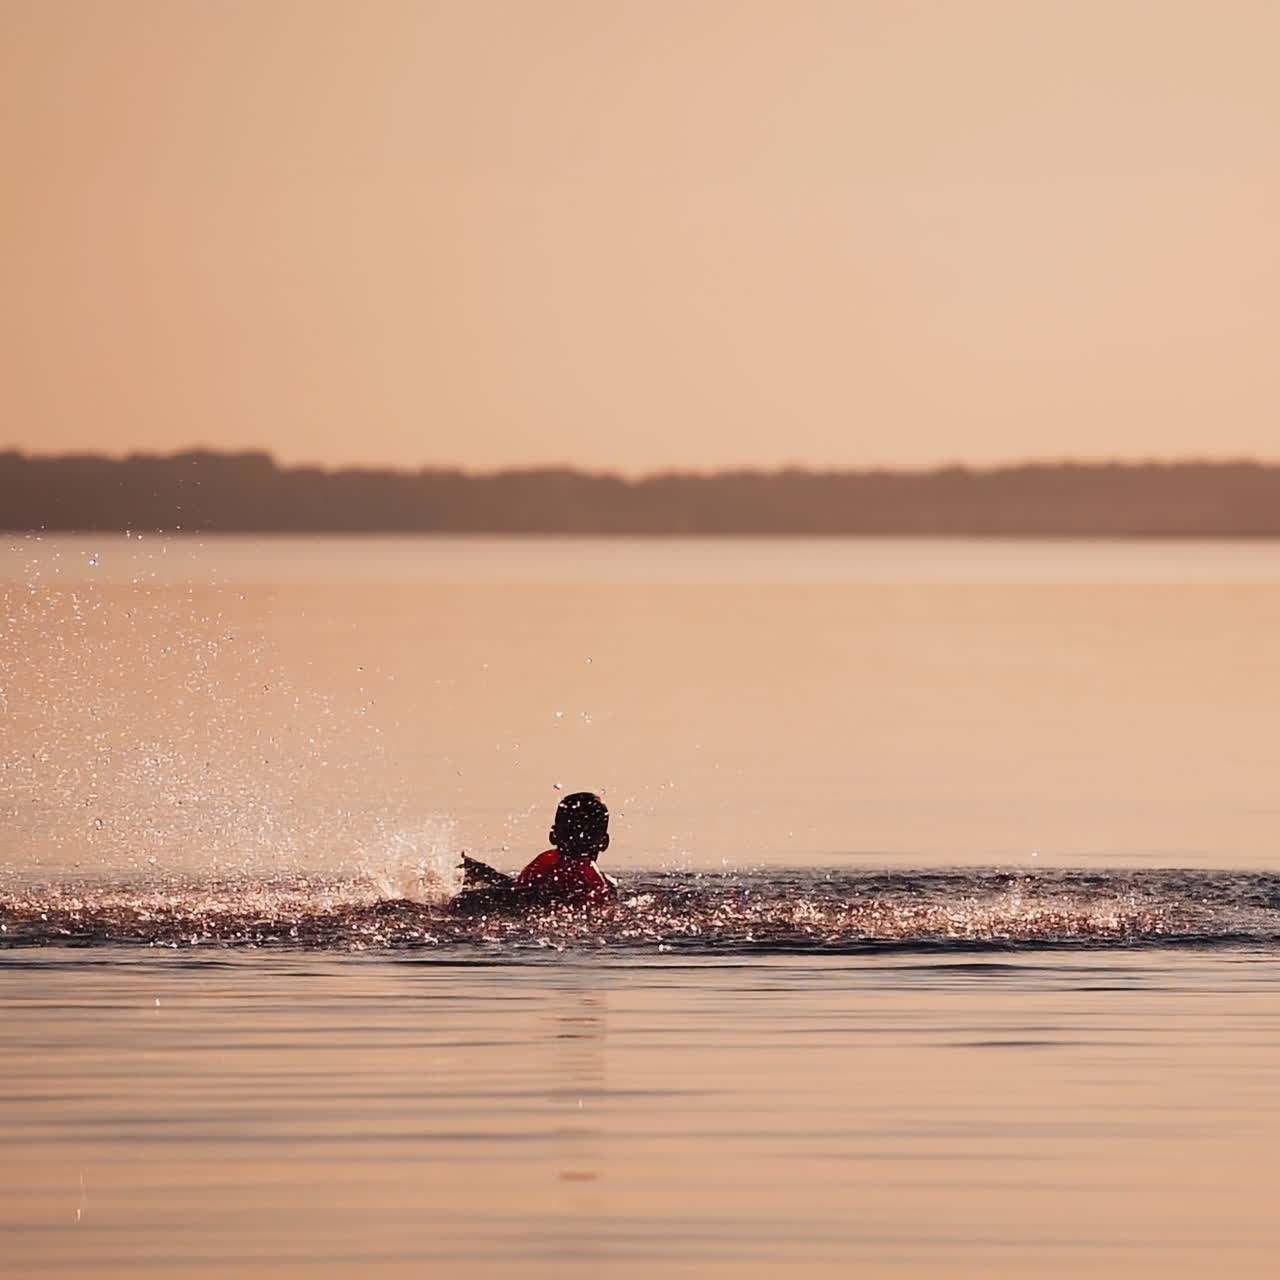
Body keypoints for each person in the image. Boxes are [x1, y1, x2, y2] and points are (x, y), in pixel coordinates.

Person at [456, 792, 617, 911]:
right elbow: (520, 890)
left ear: (553, 836)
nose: (577, 841)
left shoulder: (551, 864)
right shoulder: (602, 885)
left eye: (585, 835)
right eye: (572, 833)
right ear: (604, 842)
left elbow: (522, 895)